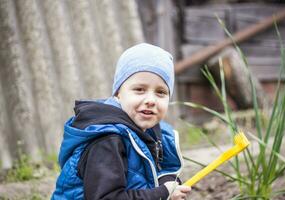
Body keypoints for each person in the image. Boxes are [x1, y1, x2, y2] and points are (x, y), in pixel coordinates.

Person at [51, 43, 191, 200]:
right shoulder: (107, 141)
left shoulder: (150, 131)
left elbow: (159, 171)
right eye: (139, 89)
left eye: (161, 92)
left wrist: (169, 184)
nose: (151, 100)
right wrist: (162, 193)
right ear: (118, 93)